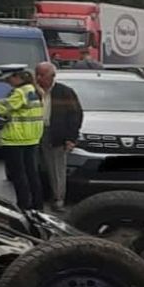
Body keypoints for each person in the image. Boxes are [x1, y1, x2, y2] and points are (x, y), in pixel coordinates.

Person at [0, 69, 44, 211]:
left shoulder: (20, 92)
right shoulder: (33, 90)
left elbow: (5, 106)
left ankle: (23, 206)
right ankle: (37, 206)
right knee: (31, 174)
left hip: (16, 138)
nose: (7, 82)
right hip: (31, 137)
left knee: (18, 175)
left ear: (17, 77)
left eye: (8, 79)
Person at [35, 62, 83, 211]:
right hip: (32, 132)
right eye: (37, 74)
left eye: (42, 75)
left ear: (52, 76)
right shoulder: (31, 92)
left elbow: (75, 115)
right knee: (34, 167)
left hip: (55, 133)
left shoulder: (64, 92)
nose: (38, 78)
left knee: (56, 169)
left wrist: (71, 138)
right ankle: (36, 199)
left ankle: (58, 199)